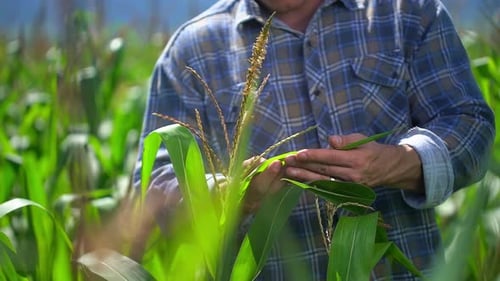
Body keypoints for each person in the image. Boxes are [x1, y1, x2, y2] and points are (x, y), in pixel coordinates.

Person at [133, 0, 495, 280]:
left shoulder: (407, 12)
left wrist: (401, 161)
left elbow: (470, 125)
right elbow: (153, 190)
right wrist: (232, 196)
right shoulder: (192, 50)